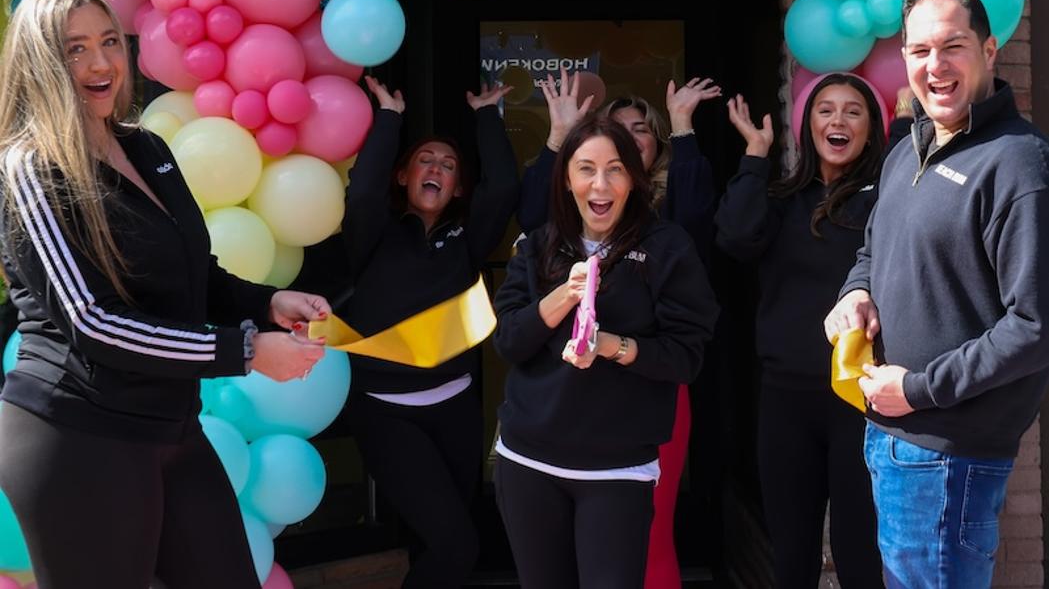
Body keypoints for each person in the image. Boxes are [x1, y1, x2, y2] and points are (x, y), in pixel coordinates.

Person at [0, 0, 328, 589]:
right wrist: (249, 351)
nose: (101, 64)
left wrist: (267, 301)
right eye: (74, 49)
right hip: (78, 435)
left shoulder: (146, 146)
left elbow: (192, 270)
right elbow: (92, 322)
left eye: (108, 42)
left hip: (171, 427)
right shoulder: (29, 169)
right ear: (41, 63)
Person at [824, 0, 1049, 588]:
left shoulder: (1019, 163)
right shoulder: (908, 150)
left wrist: (920, 389)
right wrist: (854, 293)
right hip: (891, 439)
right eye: (920, 51)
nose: (936, 66)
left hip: (950, 457)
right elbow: (873, 250)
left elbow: (1034, 327)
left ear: (990, 49)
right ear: (904, 60)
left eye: (953, 46)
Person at [493, 116, 718, 589]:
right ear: (567, 179)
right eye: (586, 169)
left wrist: (610, 347)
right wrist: (563, 297)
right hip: (529, 462)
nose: (601, 183)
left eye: (615, 169)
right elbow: (509, 340)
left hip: (617, 468)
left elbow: (684, 356)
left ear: (633, 180)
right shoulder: (539, 245)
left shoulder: (667, 248)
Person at [337, 76, 519, 588]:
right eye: (425, 160)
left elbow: (503, 188)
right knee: (457, 544)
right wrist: (390, 117)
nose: (436, 168)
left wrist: (488, 115)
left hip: (456, 414)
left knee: (436, 543)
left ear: (458, 187)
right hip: (386, 415)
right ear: (403, 176)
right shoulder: (374, 236)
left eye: (448, 165)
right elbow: (365, 189)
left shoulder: (466, 240)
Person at [715, 75, 885, 588]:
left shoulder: (886, 199)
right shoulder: (783, 199)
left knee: (860, 555)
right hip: (785, 401)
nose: (838, 121)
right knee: (792, 557)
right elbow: (736, 237)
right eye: (826, 110)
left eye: (853, 111)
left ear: (871, 128)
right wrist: (755, 153)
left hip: (861, 400)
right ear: (808, 124)